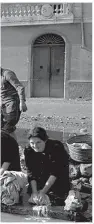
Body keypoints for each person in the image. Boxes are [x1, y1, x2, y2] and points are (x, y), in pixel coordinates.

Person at [24, 126, 70, 206]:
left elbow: (55, 172)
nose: (35, 146)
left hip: (57, 177)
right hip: (41, 175)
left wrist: (43, 191)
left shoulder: (56, 147)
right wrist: (35, 192)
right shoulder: (28, 150)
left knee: (57, 197)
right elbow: (31, 172)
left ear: (45, 140)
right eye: (32, 143)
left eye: (38, 142)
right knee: (32, 196)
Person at [1, 67, 27, 138]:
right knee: (5, 128)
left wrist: (22, 102)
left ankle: (11, 147)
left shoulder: (7, 74)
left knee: (8, 128)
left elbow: (20, 87)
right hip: (3, 105)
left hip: (12, 104)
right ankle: (14, 146)